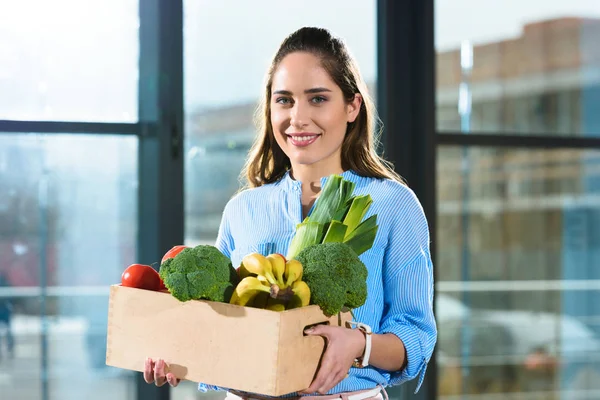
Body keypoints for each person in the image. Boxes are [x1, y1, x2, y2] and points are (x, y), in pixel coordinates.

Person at [144, 26, 437, 399]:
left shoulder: (394, 205)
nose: (297, 118)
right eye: (284, 100)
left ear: (352, 106)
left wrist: (358, 346)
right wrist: (179, 352)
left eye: (317, 99)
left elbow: (416, 336)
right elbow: (218, 325)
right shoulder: (242, 209)